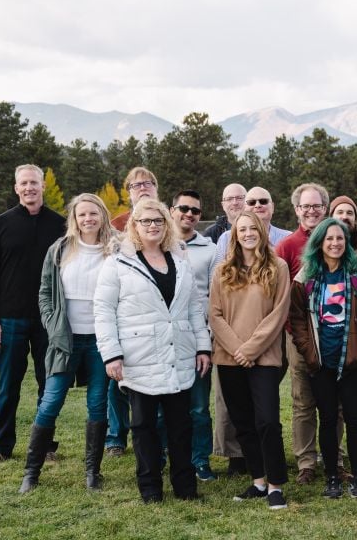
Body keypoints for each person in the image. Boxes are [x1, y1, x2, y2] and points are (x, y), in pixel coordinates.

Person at [94, 199, 211, 503]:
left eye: (158, 220)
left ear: (166, 224)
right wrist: (112, 353)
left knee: (180, 425)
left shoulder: (179, 262)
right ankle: (150, 489)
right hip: (139, 356)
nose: (153, 226)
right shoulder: (118, 264)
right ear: (134, 225)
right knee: (143, 426)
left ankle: (185, 487)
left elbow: (194, 309)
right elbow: (103, 310)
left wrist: (202, 346)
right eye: (146, 221)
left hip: (178, 355)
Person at [19, 193, 115, 492]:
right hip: (65, 339)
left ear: (102, 216)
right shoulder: (60, 249)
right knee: (51, 402)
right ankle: (31, 474)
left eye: (93, 213)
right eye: (82, 214)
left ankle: (92, 473)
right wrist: (51, 323)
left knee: (98, 405)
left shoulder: (114, 249)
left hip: (101, 341)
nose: (88, 219)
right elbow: (45, 292)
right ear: (74, 219)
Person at [290, 218, 357, 499]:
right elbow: (297, 318)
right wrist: (308, 352)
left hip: (352, 361)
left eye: (340, 238)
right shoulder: (307, 275)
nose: (335, 243)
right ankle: (331, 475)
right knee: (328, 419)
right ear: (319, 242)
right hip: (321, 362)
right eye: (329, 239)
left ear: (346, 241)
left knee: (355, 419)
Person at [0, 164, 66, 464]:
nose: (29, 188)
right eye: (23, 183)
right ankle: (2, 446)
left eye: (34, 182)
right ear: (16, 188)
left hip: (48, 319)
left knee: (49, 384)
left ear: (43, 186)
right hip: (10, 319)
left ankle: (46, 446)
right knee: (8, 385)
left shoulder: (60, 225)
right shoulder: (1, 224)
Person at [209, 211, 291, 510]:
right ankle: (258, 480)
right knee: (243, 423)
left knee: (267, 421)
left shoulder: (278, 267)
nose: (247, 233)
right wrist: (236, 349)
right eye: (241, 229)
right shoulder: (222, 271)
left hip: (265, 358)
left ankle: (275, 485)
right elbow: (214, 314)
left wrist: (251, 349)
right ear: (234, 234)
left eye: (252, 228)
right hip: (229, 359)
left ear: (261, 231)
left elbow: (279, 313)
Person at [275, 183, 339, 485]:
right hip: (298, 336)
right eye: (305, 206)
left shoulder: (337, 240)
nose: (311, 211)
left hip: (334, 336)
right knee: (303, 401)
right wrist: (295, 333)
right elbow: (279, 294)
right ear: (297, 210)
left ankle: (334, 457)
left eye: (317, 206)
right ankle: (306, 462)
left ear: (324, 208)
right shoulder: (288, 247)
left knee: (335, 401)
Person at [105, 166, 160, 457]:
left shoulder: (167, 222)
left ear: (156, 189)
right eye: (136, 184)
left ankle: (160, 437)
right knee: (117, 380)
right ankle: (115, 437)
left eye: (148, 183)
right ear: (128, 193)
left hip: (159, 313)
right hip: (125, 311)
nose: (142, 187)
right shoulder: (116, 225)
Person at [170, 190, 218, 482]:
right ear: (172, 209)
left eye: (195, 211)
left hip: (199, 334)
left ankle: (200, 459)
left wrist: (208, 339)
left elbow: (214, 297)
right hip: (167, 336)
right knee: (167, 401)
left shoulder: (210, 250)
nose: (189, 214)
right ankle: (169, 455)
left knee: (198, 406)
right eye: (184, 208)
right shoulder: (159, 245)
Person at [215, 186, 292, 261]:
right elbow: (218, 272)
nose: (258, 205)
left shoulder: (289, 238)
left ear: (272, 207)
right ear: (244, 208)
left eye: (263, 201)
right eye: (251, 202)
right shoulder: (226, 239)